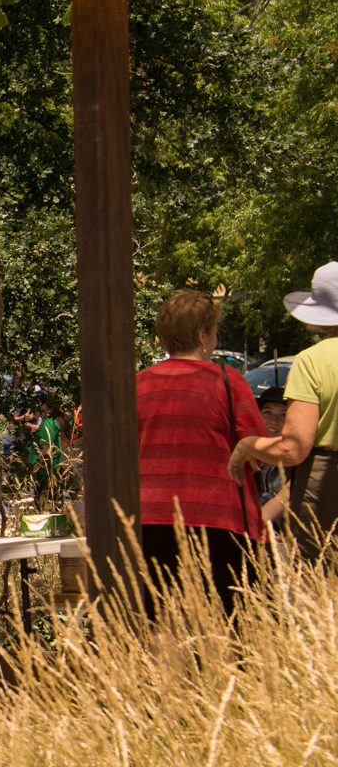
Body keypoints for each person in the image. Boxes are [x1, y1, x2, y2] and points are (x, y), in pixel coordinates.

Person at [131, 290, 265, 618]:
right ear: (203, 336)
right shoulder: (227, 381)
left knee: (158, 624)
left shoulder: (136, 384)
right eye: (215, 332)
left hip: (151, 518)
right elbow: (256, 450)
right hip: (219, 518)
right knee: (230, 624)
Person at [232, 263, 338, 563]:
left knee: (322, 585)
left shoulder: (313, 360)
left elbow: (293, 449)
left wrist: (246, 446)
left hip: (327, 481)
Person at [254, 386, 290, 528]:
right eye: (267, 412)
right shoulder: (247, 457)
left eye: (283, 415)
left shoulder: (299, 461)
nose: (274, 420)